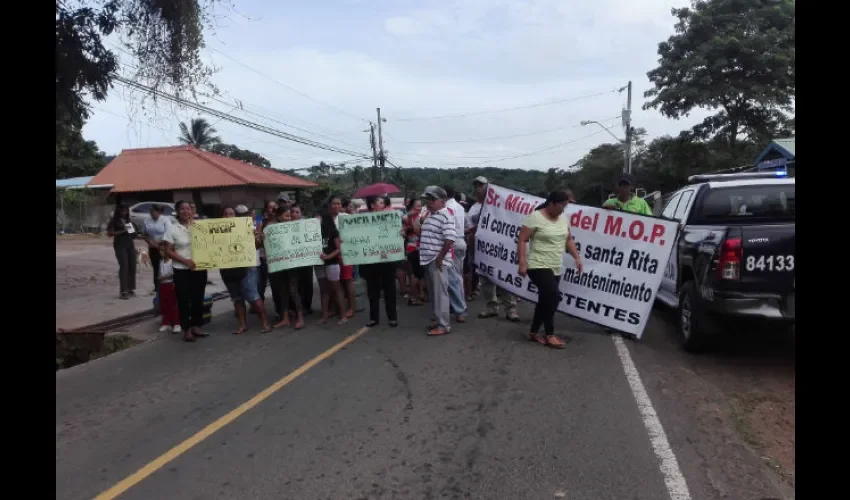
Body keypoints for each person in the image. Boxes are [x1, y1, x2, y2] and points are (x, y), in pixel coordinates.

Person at [517, 190, 584, 349]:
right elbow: (522, 239)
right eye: (562, 206)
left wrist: (577, 257)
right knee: (553, 298)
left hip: (555, 266)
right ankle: (550, 334)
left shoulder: (563, 218)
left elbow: (568, 239)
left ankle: (533, 332)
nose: (563, 210)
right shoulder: (535, 217)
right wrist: (522, 263)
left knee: (545, 300)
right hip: (537, 265)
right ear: (552, 203)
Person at [468, 177, 520, 321]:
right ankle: (491, 307)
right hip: (483, 249)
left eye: (482, 185)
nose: (478, 188)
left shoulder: (502, 205)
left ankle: (511, 309)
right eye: (476, 185)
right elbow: (472, 226)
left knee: (504, 278)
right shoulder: (474, 207)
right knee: (486, 281)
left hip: (500, 249)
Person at [221, 206, 271, 334]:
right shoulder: (217, 231)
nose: (228, 216)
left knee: (253, 296)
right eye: (225, 214)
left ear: (235, 216)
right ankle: (242, 325)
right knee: (237, 298)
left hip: (246, 267)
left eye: (231, 213)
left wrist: (259, 238)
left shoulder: (247, 227)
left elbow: (256, 245)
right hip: (227, 269)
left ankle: (265, 322)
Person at [163, 200, 208, 342]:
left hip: (199, 268)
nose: (185, 211)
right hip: (181, 269)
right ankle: (186, 329)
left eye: (188, 208)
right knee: (183, 299)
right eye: (182, 209)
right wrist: (185, 261)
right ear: (177, 211)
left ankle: (197, 326)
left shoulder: (200, 226)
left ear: (192, 211)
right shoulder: (173, 228)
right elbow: (168, 251)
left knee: (198, 297)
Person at [419, 186, 457, 336]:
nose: (429, 202)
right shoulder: (431, 214)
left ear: (442, 201)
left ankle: (443, 325)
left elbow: (449, 239)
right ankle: (438, 320)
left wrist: (440, 258)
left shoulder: (446, 215)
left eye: (432, 199)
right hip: (429, 259)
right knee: (434, 293)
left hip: (436, 260)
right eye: (428, 199)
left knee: (440, 293)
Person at [359, 196, 399, 327]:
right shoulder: (363, 220)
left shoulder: (390, 218)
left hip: (387, 260)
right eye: (380, 202)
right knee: (372, 290)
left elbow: (397, 233)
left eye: (383, 202)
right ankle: (373, 318)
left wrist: (401, 232)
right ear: (372, 205)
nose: (383, 204)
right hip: (371, 260)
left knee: (390, 289)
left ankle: (392, 317)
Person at [266, 206, 305, 329]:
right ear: (279, 217)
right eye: (286, 216)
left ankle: (300, 318)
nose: (289, 218)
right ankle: (286, 319)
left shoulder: (295, 227)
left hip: (292, 265)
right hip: (280, 265)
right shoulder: (272, 229)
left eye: (290, 216)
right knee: (282, 291)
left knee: (293, 291)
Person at [317, 205, 348, 325]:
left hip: (332, 263)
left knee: (336, 289)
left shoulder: (333, 231)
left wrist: (328, 257)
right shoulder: (313, 233)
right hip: (319, 264)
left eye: (318, 217)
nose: (316, 220)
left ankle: (343, 315)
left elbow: (338, 249)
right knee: (324, 290)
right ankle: (325, 315)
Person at [443, 186, 468, 322]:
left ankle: (460, 309)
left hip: (452, 242)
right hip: (460, 240)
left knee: (452, 278)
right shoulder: (459, 206)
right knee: (457, 276)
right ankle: (458, 306)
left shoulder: (447, 208)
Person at [106, 203, 137, 300]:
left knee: (132, 266)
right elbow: (110, 233)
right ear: (119, 211)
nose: (124, 212)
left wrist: (136, 233)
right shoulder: (114, 221)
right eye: (122, 210)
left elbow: (132, 234)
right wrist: (122, 231)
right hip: (120, 245)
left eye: (126, 210)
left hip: (130, 244)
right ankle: (123, 291)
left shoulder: (128, 221)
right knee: (124, 266)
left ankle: (130, 288)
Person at [290, 204, 314, 315]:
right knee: (296, 284)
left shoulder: (307, 224)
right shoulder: (285, 226)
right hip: (293, 260)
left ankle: (307, 306)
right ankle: (297, 307)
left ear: (301, 214)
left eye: (297, 212)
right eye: (293, 212)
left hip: (306, 259)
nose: (294, 214)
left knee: (307, 282)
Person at [334, 197, 356, 319]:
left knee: (348, 280)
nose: (336, 206)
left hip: (346, 253)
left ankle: (352, 308)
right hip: (333, 255)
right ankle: (340, 307)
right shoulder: (326, 219)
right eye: (333, 204)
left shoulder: (346, 217)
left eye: (338, 204)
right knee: (337, 282)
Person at [143, 204, 171, 294]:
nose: (151, 213)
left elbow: (169, 233)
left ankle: (165, 285)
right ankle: (157, 287)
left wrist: (159, 243)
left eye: (153, 211)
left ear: (158, 212)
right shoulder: (147, 220)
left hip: (163, 246)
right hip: (152, 247)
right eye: (150, 211)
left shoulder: (165, 220)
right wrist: (150, 242)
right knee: (156, 267)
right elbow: (145, 234)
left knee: (163, 266)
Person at [257, 200, 278, 309]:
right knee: (260, 286)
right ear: (266, 210)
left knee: (277, 288)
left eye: (275, 206)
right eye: (270, 207)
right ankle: (259, 309)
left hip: (279, 260)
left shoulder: (282, 222)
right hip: (265, 260)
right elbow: (257, 244)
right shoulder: (262, 223)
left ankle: (281, 311)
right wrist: (259, 238)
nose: (273, 209)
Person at [403, 198, 425, 306]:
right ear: (412, 207)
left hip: (411, 247)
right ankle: (413, 298)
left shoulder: (408, 217)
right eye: (417, 206)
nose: (419, 208)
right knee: (416, 275)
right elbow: (418, 233)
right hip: (416, 248)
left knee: (417, 274)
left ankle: (419, 295)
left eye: (421, 205)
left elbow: (404, 231)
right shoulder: (414, 217)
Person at [156, 241, 180, 333]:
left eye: (162, 250)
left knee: (173, 305)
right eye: (160, 250)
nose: (161, 252)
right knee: (164, 305)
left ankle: (176, 323)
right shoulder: (161, 261)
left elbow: (174, 274)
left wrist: (164, 277)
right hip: (162, 285)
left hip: (170, 284)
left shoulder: (172, 261)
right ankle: (165, 323)